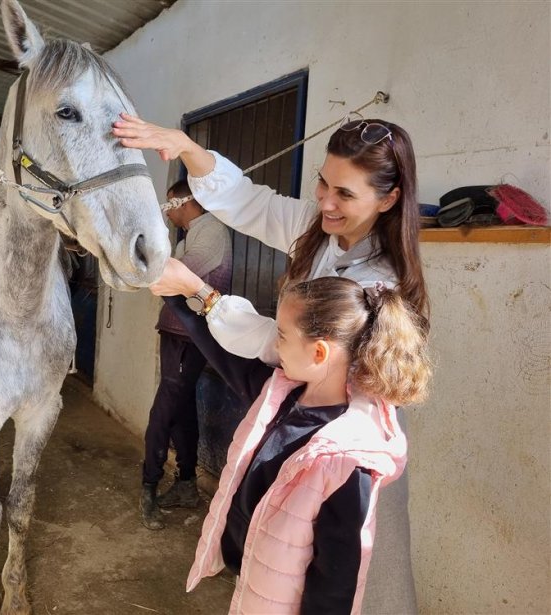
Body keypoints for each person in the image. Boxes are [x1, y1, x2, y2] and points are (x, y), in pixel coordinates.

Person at [113, 112, 428, 612]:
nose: (326, 201)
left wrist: (199, 293)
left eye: (345, 194)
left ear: (388, 199)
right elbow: (252, 204)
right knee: (282, 561)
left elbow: (280, 347)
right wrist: (187, 148)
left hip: (337, 432)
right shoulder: (321, 228)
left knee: (342, 582)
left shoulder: (375, 281)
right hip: (306, 409)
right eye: (323, 182)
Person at [187, 277, 431, 613]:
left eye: (282, 336)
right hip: (255, 587)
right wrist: (184, 293)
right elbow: (221, 354)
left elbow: (335, 585)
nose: (275, 343)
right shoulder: (283, 395)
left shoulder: (344, 460)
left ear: (318, 353)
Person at [140, 179, 233, 530]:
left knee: (165, 407)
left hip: (188, 334)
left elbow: (171, 275)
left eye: (169, 205)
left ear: (185, 202)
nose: (168, 213)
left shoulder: (211, 232)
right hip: (180, 332)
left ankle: (148, 486)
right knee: (180, 407)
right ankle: (186, 484)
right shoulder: (191, 235)